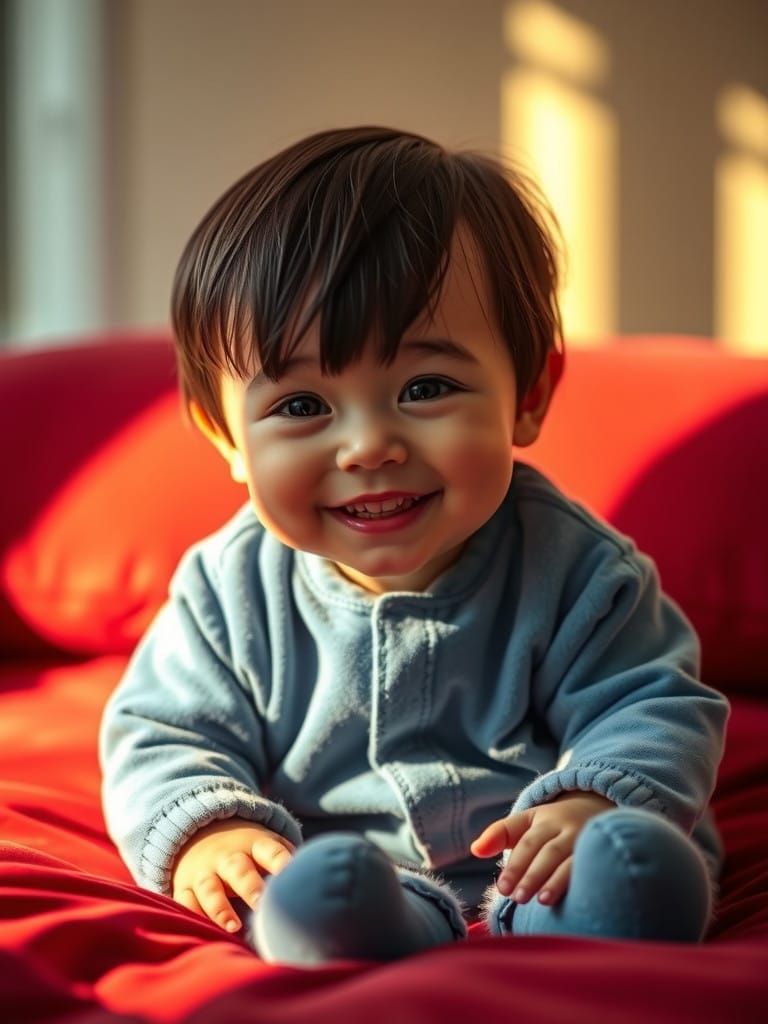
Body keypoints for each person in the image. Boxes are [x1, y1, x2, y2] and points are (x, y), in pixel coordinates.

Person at [99, 126, 729, 966]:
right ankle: (355, 927)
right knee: (308, 896)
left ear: (529, 396)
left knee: (617, 868)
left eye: (426, 388)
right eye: (301, 406)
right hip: (346, 864)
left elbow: (651, 702)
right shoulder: (230, 588)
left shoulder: (580, 569)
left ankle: (616, 901)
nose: (368, 447)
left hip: (541, 863)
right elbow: (161, 731)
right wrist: (211, 829)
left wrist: (596, 800)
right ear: (226, 438)